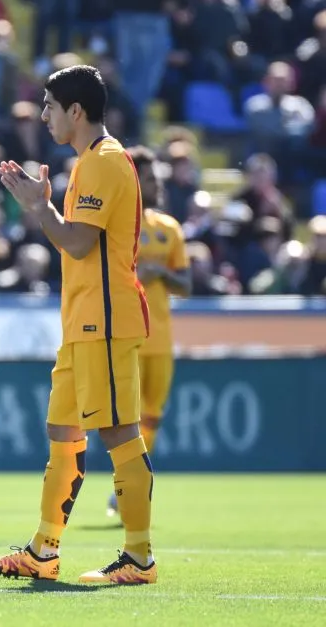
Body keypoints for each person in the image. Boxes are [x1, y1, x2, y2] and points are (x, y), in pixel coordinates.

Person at [0, 65, 157, 584]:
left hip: (105, 320)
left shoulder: (103, 161)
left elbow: (78, 241)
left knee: (120, 432)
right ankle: (42, 551)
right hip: (83, 322)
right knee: (63, 431)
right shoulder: (88, 161)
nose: (44, 115)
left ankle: (139, 558)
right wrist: (43, 205)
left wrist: (40, 207)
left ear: (75, 111)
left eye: (50, 106)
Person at [108, 146, 191, 518]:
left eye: (156, 176)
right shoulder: (115, 225)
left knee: (152, 415)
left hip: (161, 338)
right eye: (147, 176)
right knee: (124, 417)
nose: (155, 183)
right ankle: (126, 482)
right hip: (127, 334)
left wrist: (162, 274)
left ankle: (129, 484)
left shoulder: (168, 229)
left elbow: (186, 284)